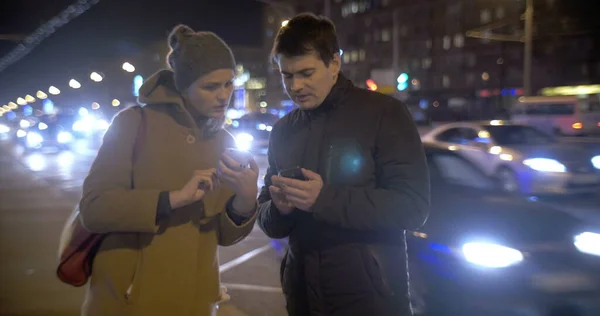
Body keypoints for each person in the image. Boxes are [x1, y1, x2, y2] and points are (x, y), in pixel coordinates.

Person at [78, 24, 259, 316]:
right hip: (129, 302)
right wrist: (172, 199)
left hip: (195, 305)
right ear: (183, 86)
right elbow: (94, 209)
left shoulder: (224, 141)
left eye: (228, 84)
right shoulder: (133, 124)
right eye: (210, 86)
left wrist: (246, 200)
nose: (224, 96)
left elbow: (224, 235)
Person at [257, 13, 430, 316]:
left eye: (306, 73)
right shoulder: (283, 130)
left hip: (370, 300)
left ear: (334, 63)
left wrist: (323, 199)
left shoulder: (383, 114)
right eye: (287, 76)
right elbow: (268, 221)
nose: (296, 86)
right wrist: (279, 209)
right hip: (303, 299)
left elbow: (412, 207)